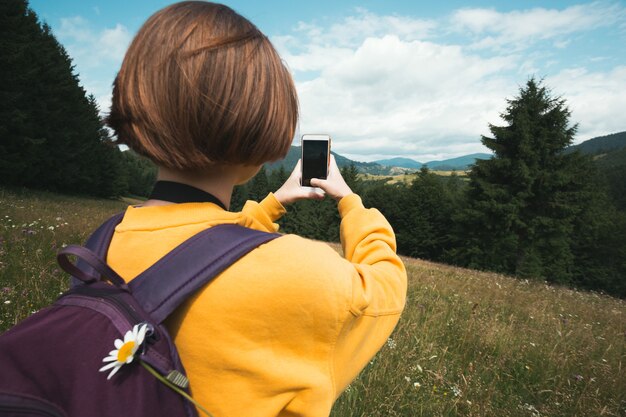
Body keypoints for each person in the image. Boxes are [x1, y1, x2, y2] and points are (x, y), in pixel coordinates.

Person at [105, 1, 407, 416]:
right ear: (262, 128)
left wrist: (273, 204)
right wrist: (349, 202)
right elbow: (386, 287)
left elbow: (196, 248)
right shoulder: (302, 272)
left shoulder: (104, 241)